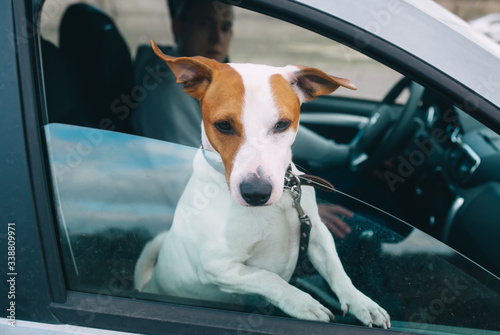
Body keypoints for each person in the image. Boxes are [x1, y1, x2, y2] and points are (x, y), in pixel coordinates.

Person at [132, 0, 354, 238]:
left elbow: (270, 124)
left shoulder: (223, 80)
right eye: (204, 24)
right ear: (178, 27)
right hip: (200, 223)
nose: (217, 38)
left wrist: (343, 154)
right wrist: (297, 210)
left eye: (225, 27)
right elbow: (188, 173)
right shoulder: (166, 91)